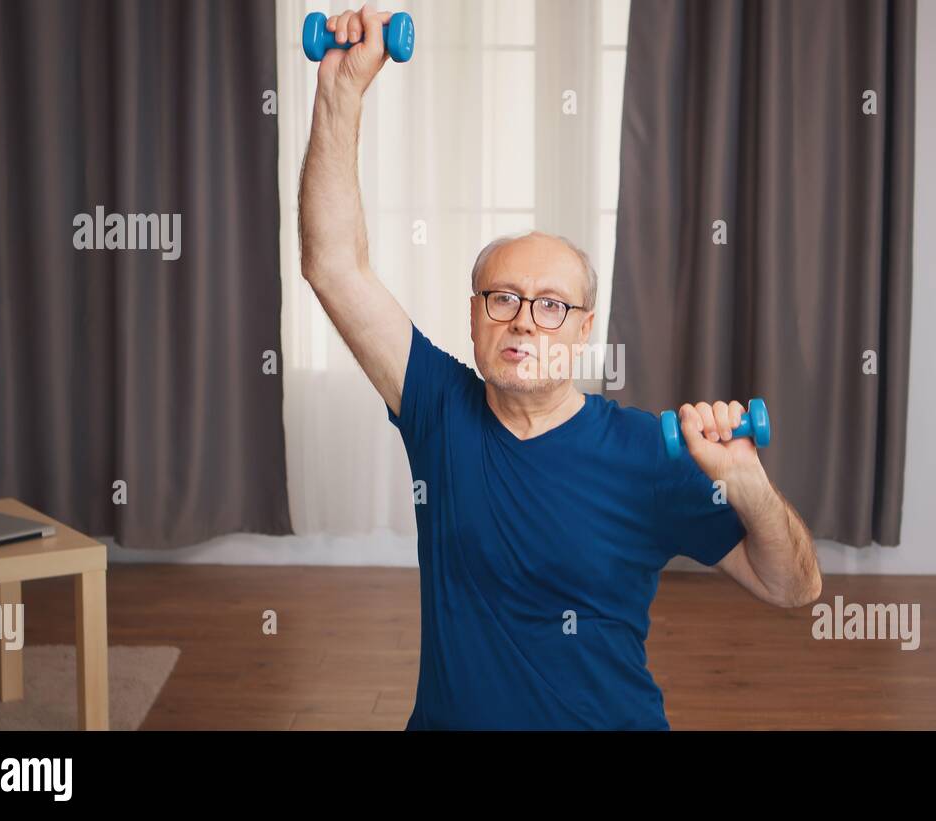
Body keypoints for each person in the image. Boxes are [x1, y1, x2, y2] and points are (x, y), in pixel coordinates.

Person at [298, 5, 821, 730]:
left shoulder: (653, 452)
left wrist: (748, 483)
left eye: (550, 305)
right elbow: (333, 265)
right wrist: (340, 92)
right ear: (475, 317)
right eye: (504, 298)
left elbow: (793, 587)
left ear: (583, 330)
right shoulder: (439, 409)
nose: (521, 319)